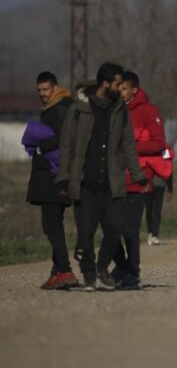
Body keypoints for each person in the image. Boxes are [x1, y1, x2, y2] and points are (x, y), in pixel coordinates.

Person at [57, 62, 147, 291]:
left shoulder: (119, 109)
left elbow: (128, 145)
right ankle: (88, 273)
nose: (121, 88)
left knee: (115, 228)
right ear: (105, 84)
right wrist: (64, 177)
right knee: (85, 236)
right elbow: (67, 145)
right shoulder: (78, 109)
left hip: (112, 182)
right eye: (118, 84)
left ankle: (102, 266)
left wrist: (138, 175)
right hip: (85, 183)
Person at [112, 71, 167, 289]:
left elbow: (158, 144)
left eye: (124, 88)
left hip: (138, 179)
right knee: (110, 229)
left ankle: (132, 273)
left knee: (130, 230)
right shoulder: (112, 109)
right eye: (118, 87)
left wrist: (129, 146)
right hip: (113, 178)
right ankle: (122, 267)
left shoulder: (148, 111)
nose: (120, 92)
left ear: (134, 89)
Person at [24, 71, 79, 289]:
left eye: (45, 89)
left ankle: (64, 270)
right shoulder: (51, 109)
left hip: (55, 176)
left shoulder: (60, 110)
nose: (42, 94)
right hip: (50, 174)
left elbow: (66, 137)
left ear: (54, 88)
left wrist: (41, 146)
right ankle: (57, 271)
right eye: (39, 90)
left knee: (51, 224)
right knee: (52, 223)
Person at [145, 174, 173, 246]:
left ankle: (155, 235)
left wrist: (170, 189)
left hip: (160, 184)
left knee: (157, 210)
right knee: (149, 210)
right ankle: (150, 233)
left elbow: (168, 171)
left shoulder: (165, 161)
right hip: (148, 184)